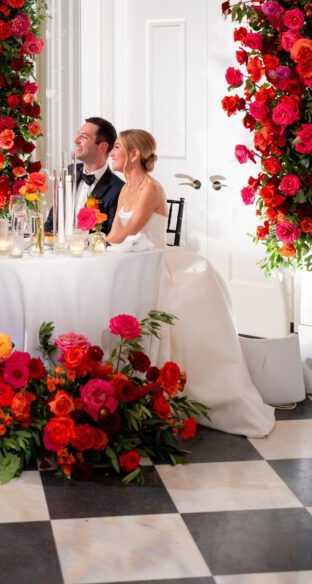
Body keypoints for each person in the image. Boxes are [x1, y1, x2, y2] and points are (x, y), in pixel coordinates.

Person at [107, 128, 275, 439]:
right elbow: (115, 230)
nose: (111, 153)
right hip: (130, 261)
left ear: (133, 155)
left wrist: (98, 242)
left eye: (117, 147)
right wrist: (101, 242)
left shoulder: (150, 189)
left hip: (154, 262)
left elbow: (130, 231)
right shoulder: (125, 189)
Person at [45, 116, 124, 234]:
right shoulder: (69, 172)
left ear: (102, 147)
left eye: (84, 137)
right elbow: (52, 221)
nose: (76, 140)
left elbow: (110, 237)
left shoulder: (118, 189)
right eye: (78, 134)